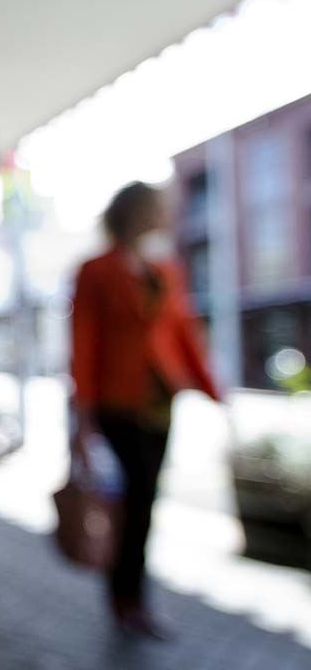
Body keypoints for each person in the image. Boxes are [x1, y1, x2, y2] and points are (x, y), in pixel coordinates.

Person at [70, 181, 220, 639]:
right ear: (134, 212)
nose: (163, 214)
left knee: (146, 501)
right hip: (116, 402)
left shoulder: (164, 269)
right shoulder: (95, 269)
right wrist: (84, 409)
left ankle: (132, 598)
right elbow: (84, 341)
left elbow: (182, 330)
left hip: (160, 401)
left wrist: (211, 387)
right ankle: (126, 599)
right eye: (156, 207)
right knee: (134, 502)